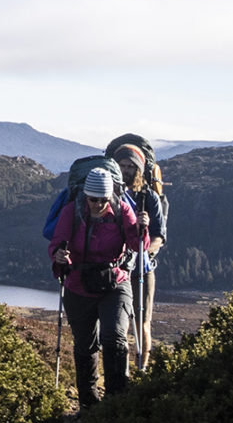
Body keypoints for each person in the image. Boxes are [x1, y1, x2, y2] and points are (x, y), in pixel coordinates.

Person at [48, 166, 147, 408]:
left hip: (115, 282)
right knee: (85, 345)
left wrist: (141, 228)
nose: (98, 205)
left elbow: (137, 244)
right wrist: (59, 256)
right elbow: (56, 244)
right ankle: (89, 404)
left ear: (111, 196)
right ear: (85, 195)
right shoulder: (71, 211)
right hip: (78, 284)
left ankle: (116, 400)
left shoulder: (122, 209)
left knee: (113, 337)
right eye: (93, 199)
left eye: (103, 200)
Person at [111, 142, 167, 373]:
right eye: (121, 165)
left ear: (139, 169)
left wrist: (144, 251)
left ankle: (141, 367)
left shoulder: (149, 198)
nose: (126, 171)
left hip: (142, 269)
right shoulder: (109, 194)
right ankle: (121, 370)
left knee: (143, 323)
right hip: (118, 269)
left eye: (130, 166)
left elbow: (159, 236)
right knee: (120, 324)